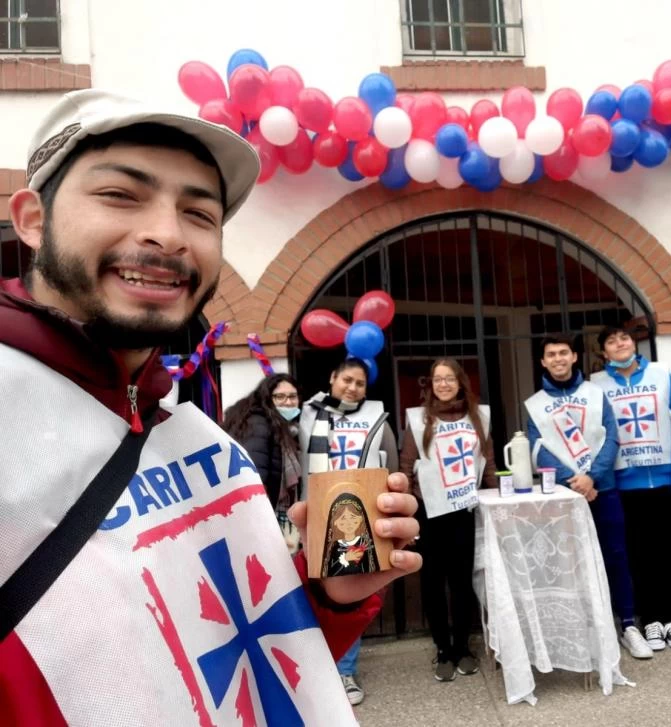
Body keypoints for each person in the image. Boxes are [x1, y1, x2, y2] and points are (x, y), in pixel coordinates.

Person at [0, 89, 421, 726]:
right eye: (121, 195)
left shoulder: (196, 435)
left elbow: (232, 672)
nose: (167, 235)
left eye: (200, 214)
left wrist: (329, 598)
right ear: (33, 219)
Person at [527, 334, 653, 660]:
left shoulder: (595, 395)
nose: (557, 359)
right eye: (551, 354)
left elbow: (612, 437)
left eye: (563, 353)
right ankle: (587, 627)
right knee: (572, 561)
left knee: (616, 556)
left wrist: (591, 477)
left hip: (604, 489)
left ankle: (627, 624)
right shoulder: (535, 404)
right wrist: (576, 482)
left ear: (574, 357)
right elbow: (537, 448)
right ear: (543, 361)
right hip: (565, 496)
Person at [298, 357, 399, 706]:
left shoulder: (377, 418)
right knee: (313, 591)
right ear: (332, 378)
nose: (352, 388)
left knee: (349, 591)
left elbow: (391, 463)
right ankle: (315, 667)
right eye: (347, 380)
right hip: (315, 511)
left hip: (357, 516)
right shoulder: (307, 413)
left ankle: (345, 668)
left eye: (359, 383)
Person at [590, 326, 671, 653]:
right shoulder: (596, 385)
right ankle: (648, 618)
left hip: (663, 481)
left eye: (624, 338)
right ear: (603, 352)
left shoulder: (663, 375)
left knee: (667, 551)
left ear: (633, 343)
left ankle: (669, 617)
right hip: (622, 485)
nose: (620, 343)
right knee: (636, 553)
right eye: (611, 341)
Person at [400, 358, 497, 682]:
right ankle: (442, 648)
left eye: (449, 378)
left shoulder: (478, 416)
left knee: (461, 581)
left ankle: (462, 647)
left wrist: (497, 497)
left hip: (464, 510)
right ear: (430, 384)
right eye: (438, 379)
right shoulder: (418, 420)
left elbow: (489, 462)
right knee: (432, 583)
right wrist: (406, 511)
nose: (443, 384)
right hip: (429, 513)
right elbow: (405, 465)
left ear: (460, 382)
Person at [222, 373, 302, 512]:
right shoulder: (258, 424)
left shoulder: (285, 428)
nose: (288, 402)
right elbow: (256, 473)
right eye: (280, 396)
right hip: (261, 509)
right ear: (266, 398)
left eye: (292, 396)